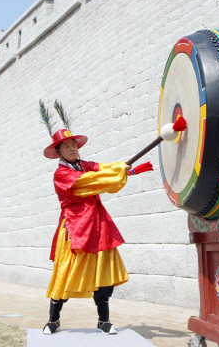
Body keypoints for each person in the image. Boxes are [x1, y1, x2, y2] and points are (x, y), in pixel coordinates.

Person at [42, 128, 131, 335]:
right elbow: (90, 182)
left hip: (98, 225)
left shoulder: (85, 165)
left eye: (73, 145)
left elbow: (102, 167)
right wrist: (118, 173)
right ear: (59, 152)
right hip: (74, 228)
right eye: (66, 146)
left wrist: (120, 166)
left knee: (104, 271)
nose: (71, 148)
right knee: (65, 272)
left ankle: (104, 321)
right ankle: (53, 320)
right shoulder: (61, 174)